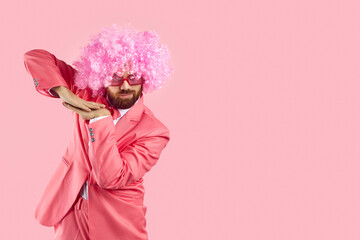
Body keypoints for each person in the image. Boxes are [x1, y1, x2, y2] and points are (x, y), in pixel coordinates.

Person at [23, 24, 174, 240]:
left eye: (133, 78)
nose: (124, 86)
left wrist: (100, 119)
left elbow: (111, 178)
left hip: (115, 221)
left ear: (146, 78)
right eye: (115, 77)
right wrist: (67, 94)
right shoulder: (85, 93)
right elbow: (35, 57)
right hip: (70, 208)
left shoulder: (154, 132)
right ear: (102, 76)